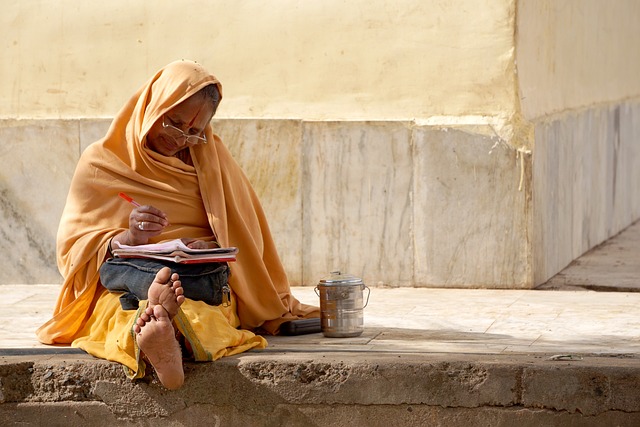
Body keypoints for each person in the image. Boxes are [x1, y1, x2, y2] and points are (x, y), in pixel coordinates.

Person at [37, 60, 319, 390]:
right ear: (154, 105)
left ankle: (162, 327)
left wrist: (211, 246)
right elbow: (72, 247)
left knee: (202, 310)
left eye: (194, 134)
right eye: (173, 123)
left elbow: (247, 234)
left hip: (195, 277)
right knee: (116, 309)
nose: (180, 139)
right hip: (128, 276)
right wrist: (129, 236)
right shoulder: (102, 162)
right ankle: (162, 328)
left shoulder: (213, 160)